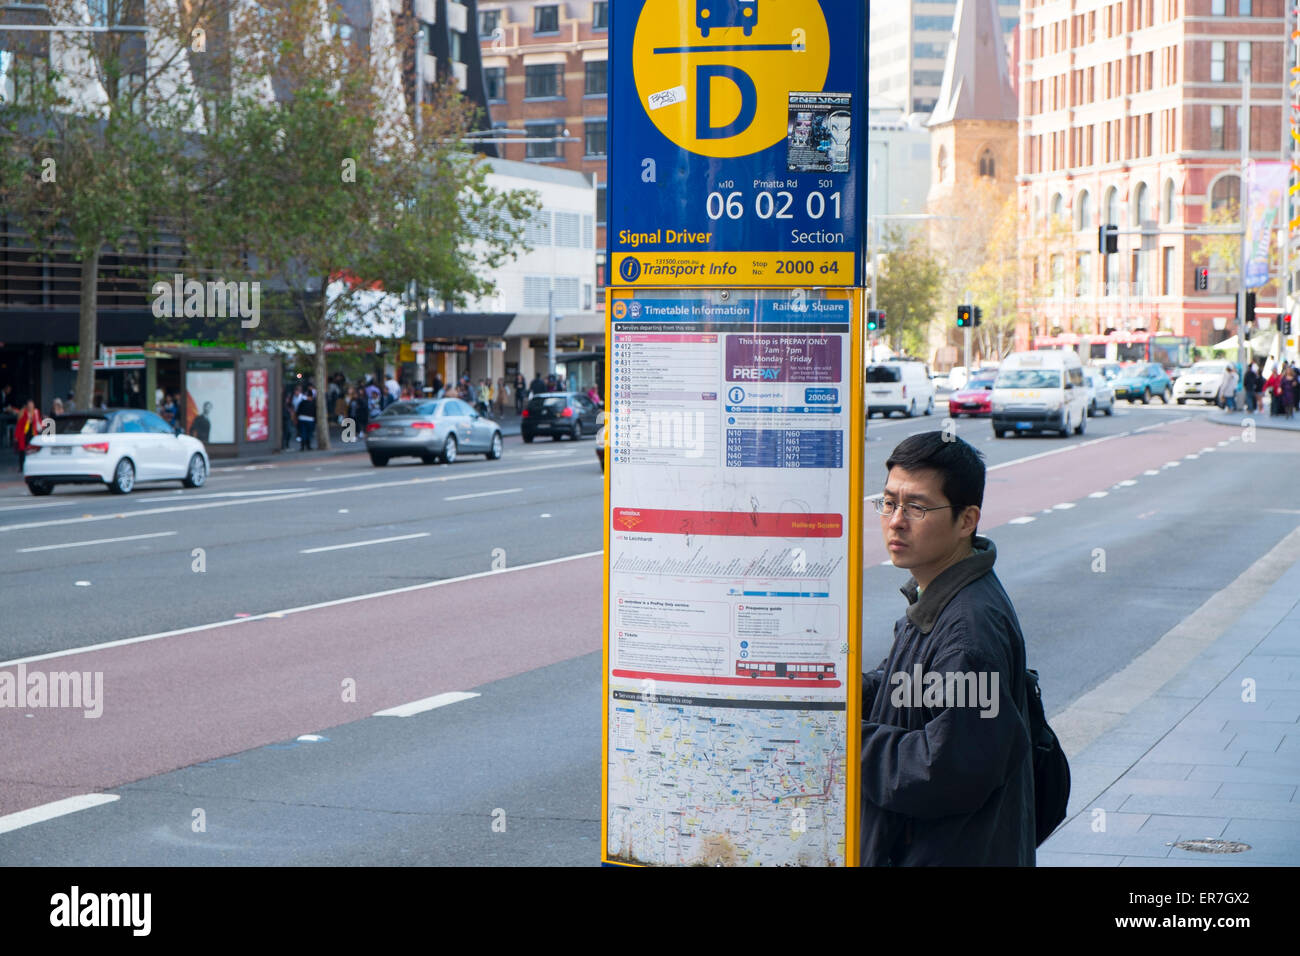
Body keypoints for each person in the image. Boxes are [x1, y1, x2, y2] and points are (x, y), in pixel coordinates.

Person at [860, 432, 1034, 865]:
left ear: (966, 520)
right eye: (888, 502)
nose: (896, 520)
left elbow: (943, 770)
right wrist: (838, 693)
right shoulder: (937, 597)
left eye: (917, 507)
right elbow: (908, 688)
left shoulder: (968, 631)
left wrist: (842, 739)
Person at [15, 398, 42, 470]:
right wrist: (16, 436)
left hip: (33, 434)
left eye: (32, 405)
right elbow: (19, 425)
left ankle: (33, 466)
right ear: (27, 406)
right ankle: (22, 467)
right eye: (29, 405)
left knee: (33, 450)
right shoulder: (23, 412)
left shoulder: (36, 412)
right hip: (24, 434)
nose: (30, 406)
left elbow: (39, 422)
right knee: (22, 451)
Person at [297, 385, 316, 450]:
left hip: (302, 418)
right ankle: (308, 446)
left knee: (303, 433)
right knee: (309, 433)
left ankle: (302, 446)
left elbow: (298, 411)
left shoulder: (302, 402)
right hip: (310, 420)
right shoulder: (313, 403)